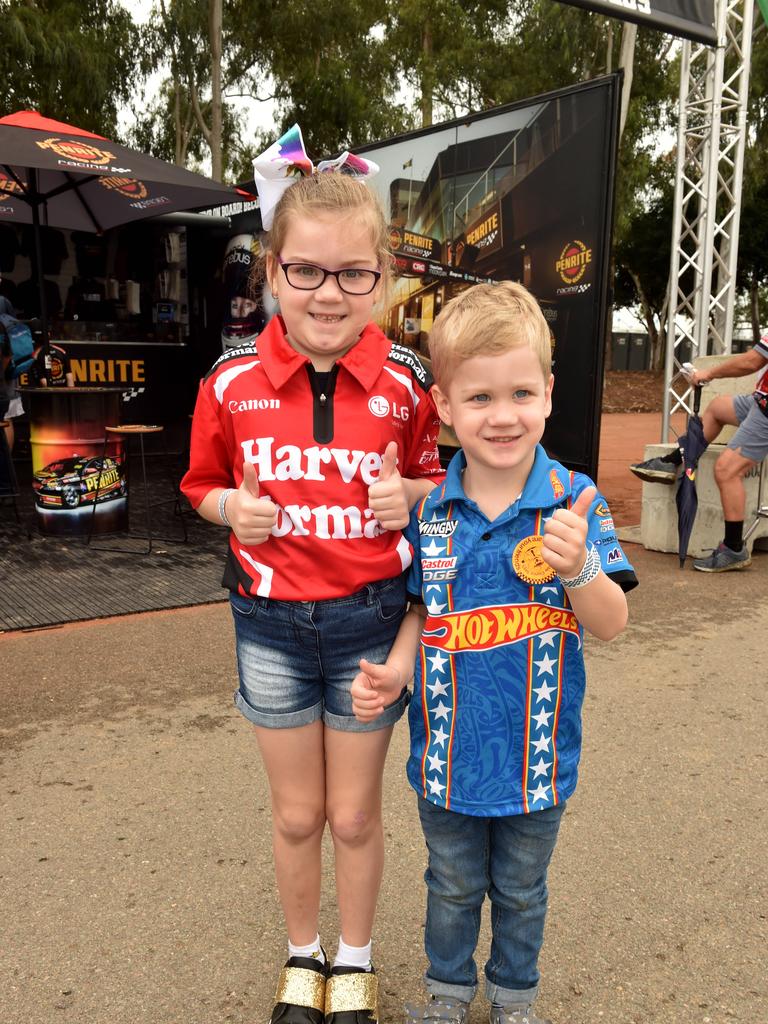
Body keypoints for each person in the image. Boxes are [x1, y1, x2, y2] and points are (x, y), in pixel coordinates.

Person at [181, 139, 443, 1024]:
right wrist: (231, 513)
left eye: (353, 274)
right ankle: (304, 957)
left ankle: (357, 962)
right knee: (298, 816)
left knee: (357, 816)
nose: (329, 292)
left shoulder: (408, 385)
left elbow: (444, 486)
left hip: (373, 623)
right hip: (271, 627)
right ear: (272, 270)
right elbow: (199, 484)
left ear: (384, 279)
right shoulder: (227, 382)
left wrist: (410, 492)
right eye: (307, 270)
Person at [351, 282, 637, 1024]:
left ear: (547, 391)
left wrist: (579, 569)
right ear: (444, 406)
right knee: (448, 884)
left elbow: (612, 622)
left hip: (537, 763)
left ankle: (515, 999)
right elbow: (421, 612)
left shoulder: (575, 502)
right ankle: (448, 995)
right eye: (478, 398)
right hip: (443, 762)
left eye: (519, 392)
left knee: (520, 890)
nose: (502, 415)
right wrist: (393, 669)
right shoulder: (433, 513)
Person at [629, 338, 768, 571]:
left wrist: (708, 374)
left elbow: (751, 362)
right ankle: (673, 461)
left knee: (726, 470)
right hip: (759, 401)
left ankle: (734, 549)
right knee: (717, 408)